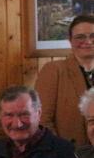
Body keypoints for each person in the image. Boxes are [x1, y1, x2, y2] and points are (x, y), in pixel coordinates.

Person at [36, 14, 94, 145]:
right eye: (80, 37)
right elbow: (42, 120)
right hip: (70, 157)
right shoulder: (54, 71)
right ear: (70, 40)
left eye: (93, 36)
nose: (88, 41)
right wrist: (62, 153)